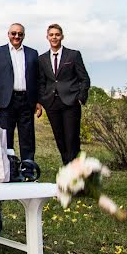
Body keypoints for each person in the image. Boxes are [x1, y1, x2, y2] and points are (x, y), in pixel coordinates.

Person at [0, 23, 40, 162]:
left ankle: (28, 170)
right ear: (8, 34)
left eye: (20, 34)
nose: (17, 36)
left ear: (24, 35)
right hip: (6, 101)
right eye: (13, 33)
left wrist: (38, 101)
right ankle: (8, 169)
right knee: (6, 137)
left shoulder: (32, 53)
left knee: (27, 138)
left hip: (27, 101)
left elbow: (37, 78)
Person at [37, 23, 90, 164]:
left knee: (72, 139)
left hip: (71, 103)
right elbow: (41, 82)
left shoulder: (73, 55)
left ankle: (77, 176)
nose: (54, 37)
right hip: (52, 104)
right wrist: (43, 99)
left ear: (62, 36)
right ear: (47, 37)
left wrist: (80, 98)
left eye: (57, 34)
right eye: (51, 35)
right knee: (60, 140)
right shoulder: (41, 59)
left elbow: (84, 78)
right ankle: (68, 172)